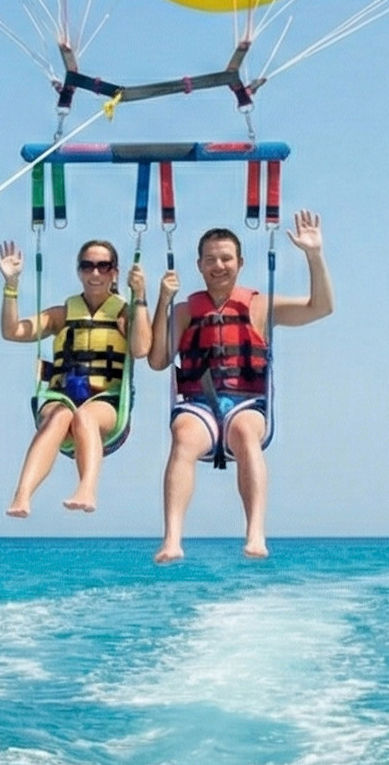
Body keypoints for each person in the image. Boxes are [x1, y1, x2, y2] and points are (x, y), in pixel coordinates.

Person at [150, 212, 332, 563]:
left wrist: (314, 254)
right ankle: (172, 539)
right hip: (198, 404)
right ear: (199, 265)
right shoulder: (185, 311)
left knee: (246, 432)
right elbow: (158, 360)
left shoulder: (260, 305)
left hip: (246, 403)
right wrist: (163, 300)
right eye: (210, 259)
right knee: (182, 436)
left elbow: (321, 307)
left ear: (240, 263)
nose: (218, 266)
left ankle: (255, 533)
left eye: (226, 258)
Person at [0, 237, 152, 516]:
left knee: (84, 417)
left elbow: (141, 349)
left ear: (115, 272)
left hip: (106, 402)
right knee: (60, 417)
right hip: (61, 397)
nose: (95, 272)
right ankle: (22, 495)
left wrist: (139, 297)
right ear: (79, 271)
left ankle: (87, 489)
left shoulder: (124, 314)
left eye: (103, 266)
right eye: (87, 266)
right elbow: (12, 331)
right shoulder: (62, 315)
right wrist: (11, 285)